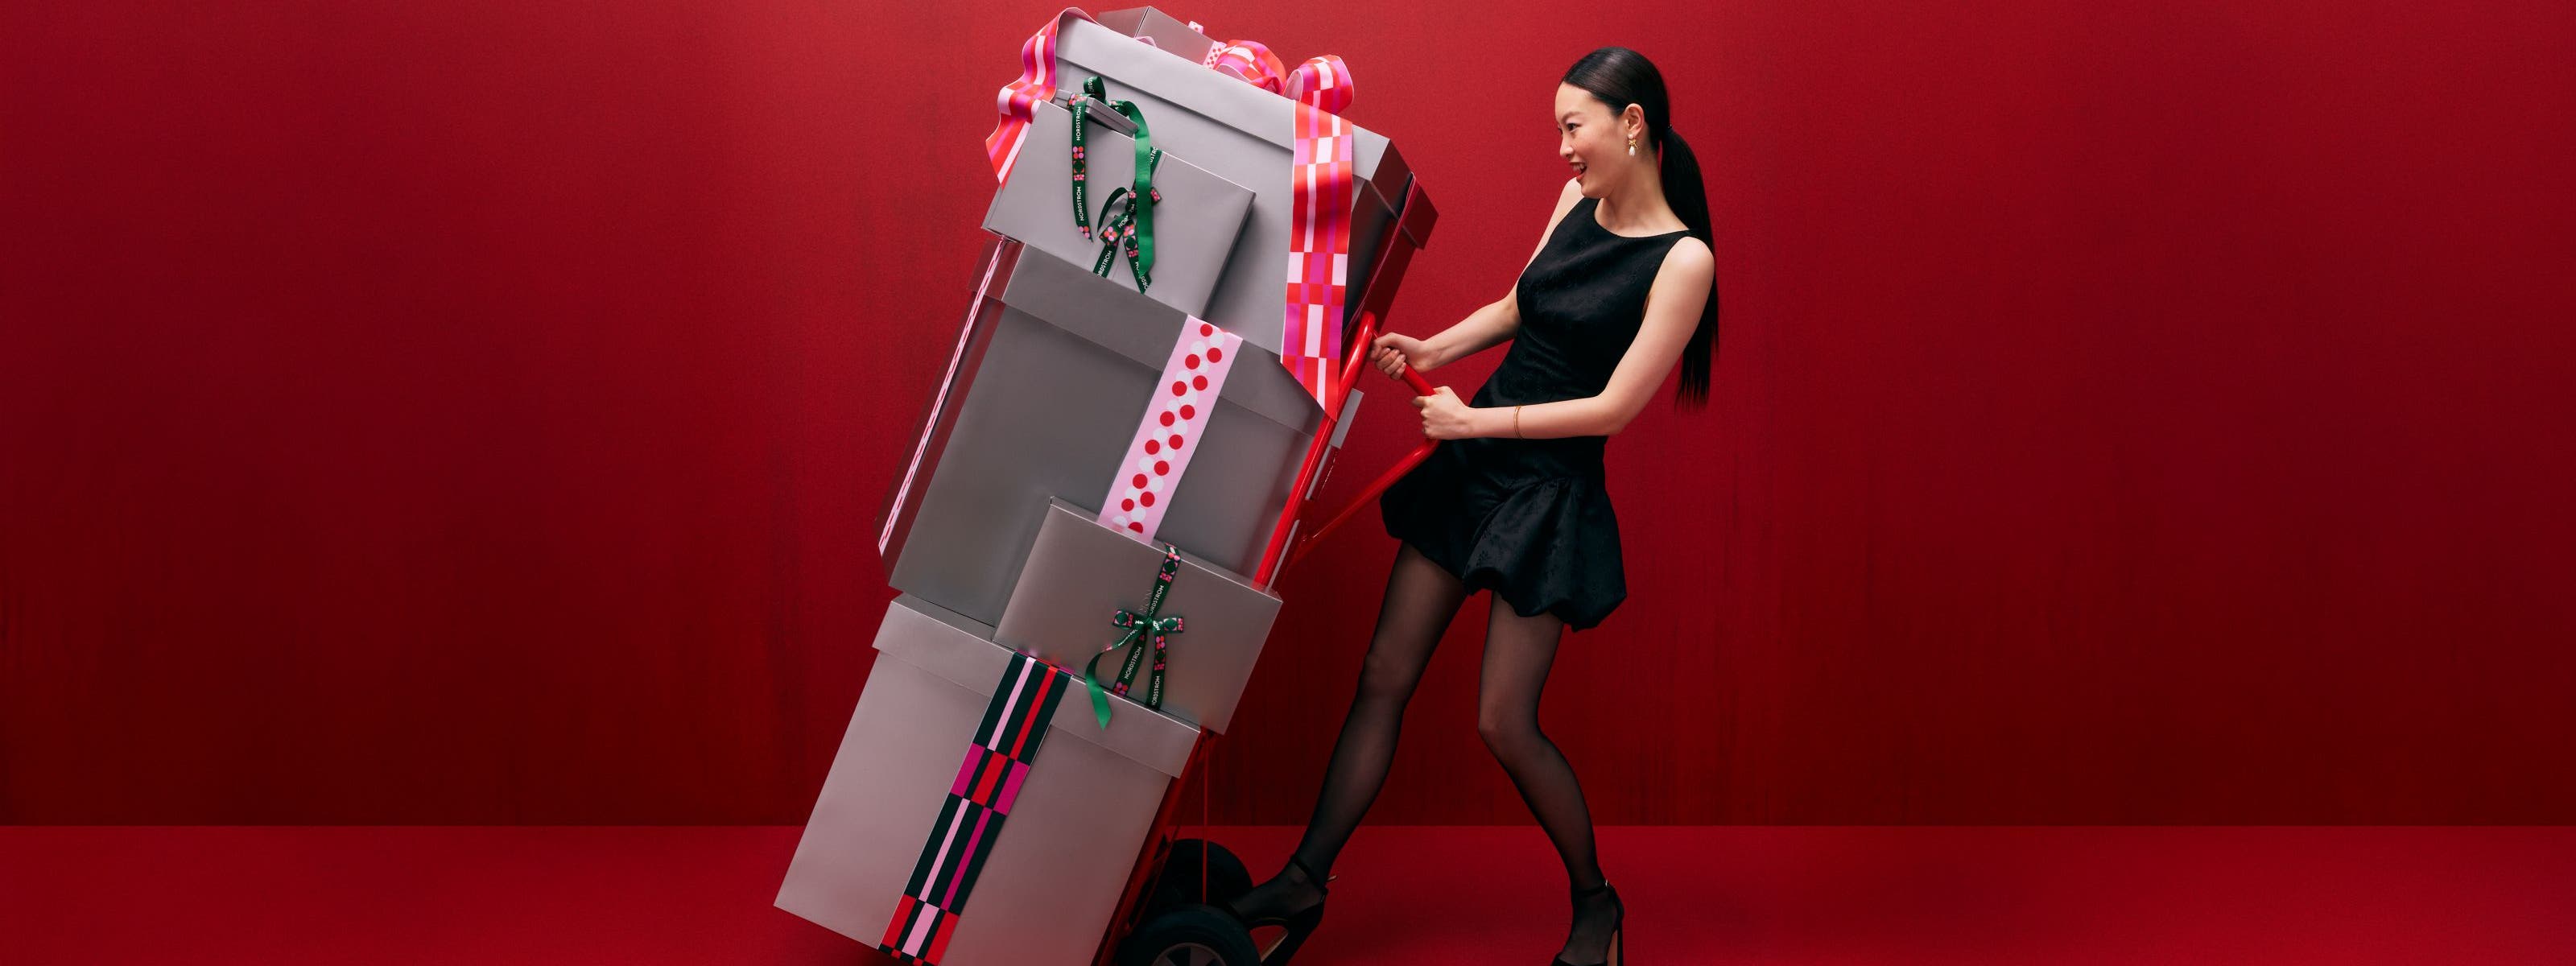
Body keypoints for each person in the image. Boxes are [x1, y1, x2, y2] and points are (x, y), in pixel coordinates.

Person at [1223, 44, 1719, 966]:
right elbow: (1517, 306)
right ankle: (1304, 880)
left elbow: (1611, 409)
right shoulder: (1577, 202)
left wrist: (1472, 423)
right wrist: (1434, 347)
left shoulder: (1682, 261)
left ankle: (1596, 904)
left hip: (1545, 488)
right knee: (1382, 673)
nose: (1562, 148)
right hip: (1475, 448)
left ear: (1631, 123)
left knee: (1502, 720)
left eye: (1574, 126)